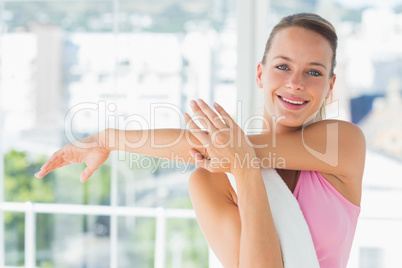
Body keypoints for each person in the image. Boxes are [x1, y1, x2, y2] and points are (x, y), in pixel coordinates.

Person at [35, 13, 366, 268]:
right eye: (283, 66)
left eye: (314, 72)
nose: (295, 82)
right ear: (260, 74)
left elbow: (225, 148)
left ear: (331, 85)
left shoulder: (342, 143)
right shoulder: (210, 183)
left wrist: (109, 139)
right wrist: (246, 173)